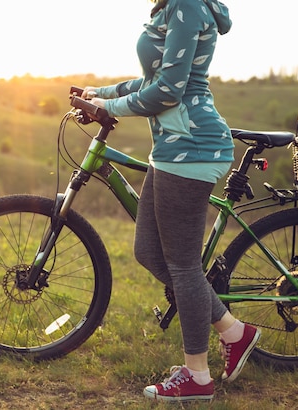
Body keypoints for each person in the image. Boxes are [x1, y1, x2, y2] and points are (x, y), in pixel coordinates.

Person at [81, 0, 260, 403]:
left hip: (194, 148)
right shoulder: (170, 7)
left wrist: (106, 108)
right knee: (149, 252)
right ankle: (234, 331)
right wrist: (100, 92)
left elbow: (167, 91)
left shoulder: (186, 5)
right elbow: (152, 78)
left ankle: (197, 376)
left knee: (183, 265)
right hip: (169, 149)